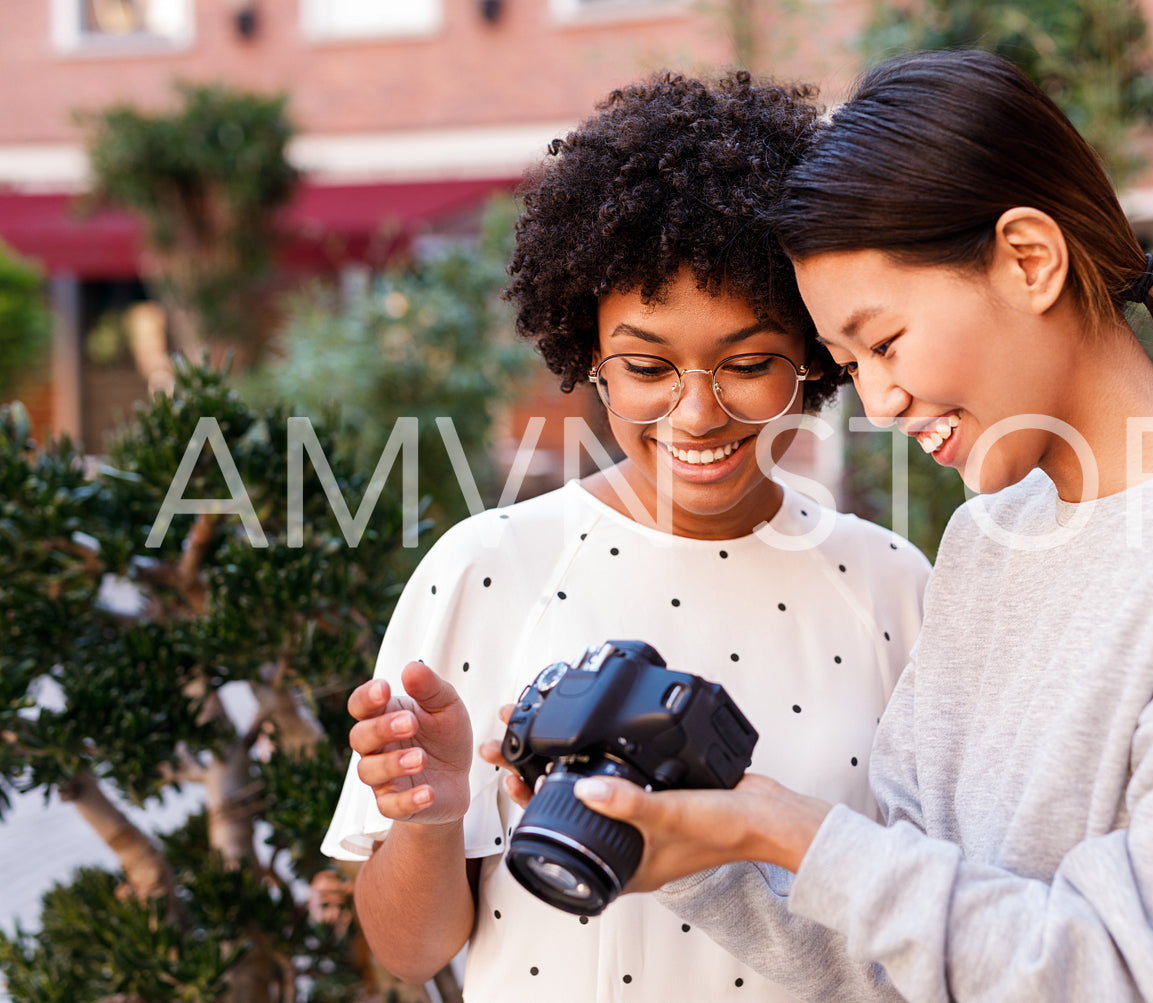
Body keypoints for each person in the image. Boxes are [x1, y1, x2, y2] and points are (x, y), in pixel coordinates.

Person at [522, 50, 1153, 1003]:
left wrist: (790, 829)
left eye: (883, 341)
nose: (878, 398)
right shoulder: (989, 539)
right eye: (845, 359)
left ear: (1029, 260)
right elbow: (901, 956)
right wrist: (699, 845)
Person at [320, 71, 930, 1001]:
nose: (695, 412)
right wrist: (431, 818)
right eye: (646, 364)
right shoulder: (488, 567)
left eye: (749, 362)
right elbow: (409, 950)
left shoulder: (893, 585)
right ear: (587, 354)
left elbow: (932, 925)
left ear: (813, 357)